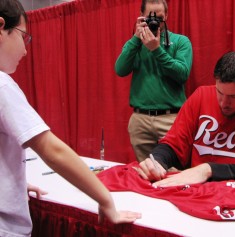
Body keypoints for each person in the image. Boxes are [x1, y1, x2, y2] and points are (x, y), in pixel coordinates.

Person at [0, 0, 141, 236]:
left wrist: (11, 185)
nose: (25, 50)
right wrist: (105, 198)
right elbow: (51, 149)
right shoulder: (3, 86)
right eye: (23, 36)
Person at [136, 51, 235, 187]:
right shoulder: (201, 96)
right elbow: (175, 144)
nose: (224, 103)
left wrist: (209, 170)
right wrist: (157, 160)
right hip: (199, 192)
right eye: (219, 92)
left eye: (234, 96)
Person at [115, 0, 193, 162]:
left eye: (159, 17)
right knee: (146, 171)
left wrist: (157, 50)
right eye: (150, 17)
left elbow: (182, 74)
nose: (154, 21)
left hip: (171, 118)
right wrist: (136, 39)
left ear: (166, 16)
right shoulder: (136, 44)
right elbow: (120, 70)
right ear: (141, 16)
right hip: (140, 119)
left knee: (176, 169)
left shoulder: (180, 41)